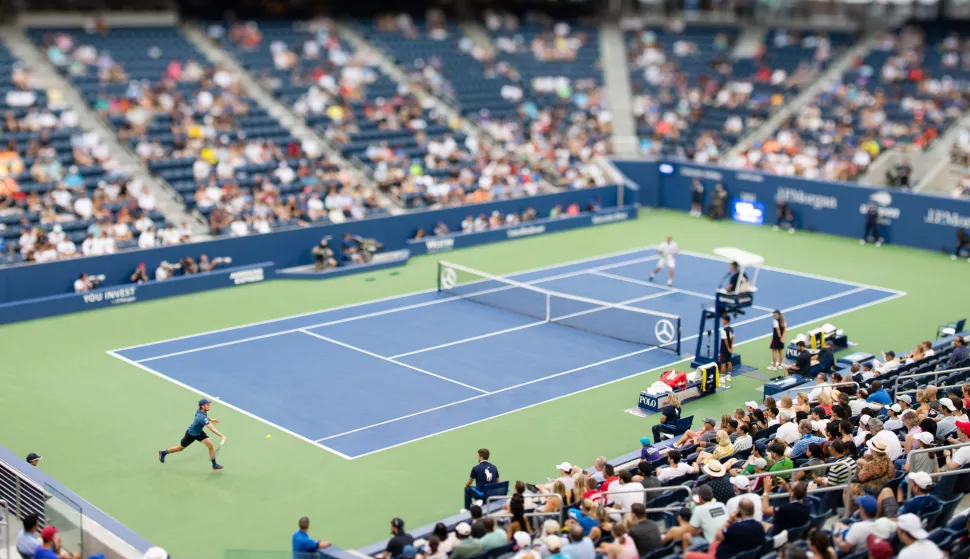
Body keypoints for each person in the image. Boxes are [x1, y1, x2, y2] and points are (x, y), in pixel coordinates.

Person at [158, 398, 226, 471]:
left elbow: (205, 416)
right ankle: (163, 452)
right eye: (207, 404)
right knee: (180, 448)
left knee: (210, 446)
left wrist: (211, 419)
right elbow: (212, 428)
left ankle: (214, 465)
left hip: (199, 432)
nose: (209, 406)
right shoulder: (201, 417)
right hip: (191, 435)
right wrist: (221, 435)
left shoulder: (200, 411)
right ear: (203, 406)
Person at [719, 315, 734, 384]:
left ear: (726, 321)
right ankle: (729, 375)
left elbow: (725, 340)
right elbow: (733, 338)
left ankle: (722, 377)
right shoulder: (731, 329)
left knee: (723, 363)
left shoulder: (723, 330)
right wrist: (731, 347)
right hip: (730, 348)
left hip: (724, 349)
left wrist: (727, 348)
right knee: (729, 361)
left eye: (723, 320)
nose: (722, 321)